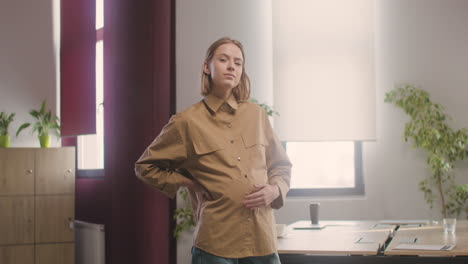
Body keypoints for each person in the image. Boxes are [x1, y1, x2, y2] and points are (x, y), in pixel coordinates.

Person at [135, 37, 292, 264]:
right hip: (216, 245)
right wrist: (189, 182)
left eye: (238, 63)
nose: (231, 66)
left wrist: (275, 190)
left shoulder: (257, 115)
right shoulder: (186, 122)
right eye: (223, 59)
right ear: (207, 67)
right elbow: (145, 168)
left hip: (262, 241)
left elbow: (281, 166)